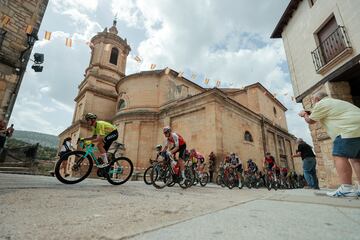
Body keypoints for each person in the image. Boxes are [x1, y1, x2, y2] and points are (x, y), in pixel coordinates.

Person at [299, 91, 360, 197]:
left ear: (317, 99)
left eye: (313, 101)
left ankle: (346, 188)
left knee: (339, 155)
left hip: (347, 130)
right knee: (356, 159)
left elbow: (310, 120)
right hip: (356, 128)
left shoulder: (321, 104)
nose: (314, 104)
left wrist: (304, 114)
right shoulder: (336, 102)